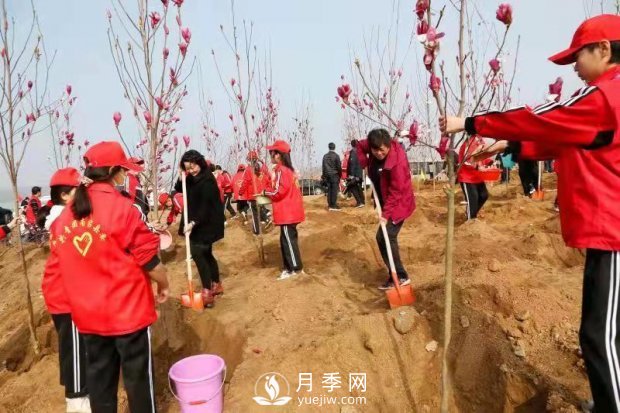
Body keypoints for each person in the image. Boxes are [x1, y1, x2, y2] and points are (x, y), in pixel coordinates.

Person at [439, 14, 620, 412]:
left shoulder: (605, 96)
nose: (573, 66)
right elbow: (570, 142)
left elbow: (543, 117)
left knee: (598, 335)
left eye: (577, 55)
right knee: (605, 332)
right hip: (607, 231)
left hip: (614, 233)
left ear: (604, 50)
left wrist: (472, 124)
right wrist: (509, 148)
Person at [44, 141, 169, 413]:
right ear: (113, 171)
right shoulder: (123, 208)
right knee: (138, 383)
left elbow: (60, 264)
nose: (126, 176)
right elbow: (149, 260)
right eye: (123, 170)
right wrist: (164, 284)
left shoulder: (64, 219)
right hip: (129, 314)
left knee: (100, 383)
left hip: (89, 318)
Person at [40, 167, 91, 413]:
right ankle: (78, 403)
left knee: (76, 350)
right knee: (75, 353)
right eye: (79, 191)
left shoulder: (66, 217)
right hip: (67, 297)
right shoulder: (64, 222)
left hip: (70, 293)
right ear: (64, 195)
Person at [357, 129, 415, 289]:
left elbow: (396, 192)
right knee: (382, 237)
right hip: (384, 200)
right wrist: (363, 161)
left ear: (389, 144)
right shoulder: (372, 146)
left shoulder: (398, 163)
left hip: (399, 204)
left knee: (386, 236)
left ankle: (401, 276)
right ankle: (394, 274)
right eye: (375, 150)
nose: (378, 153)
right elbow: (359, 146)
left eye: (382, 149)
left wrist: (385, 214)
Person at [175, 150, 225, 307]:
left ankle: (207, 291)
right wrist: (180, 175)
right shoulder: (190, 177)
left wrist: (193, 223)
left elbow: (206, 206)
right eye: (188, 168)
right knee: (207, 253)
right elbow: (179, 188)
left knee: (198, 253)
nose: (191, 171)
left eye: (193, 167)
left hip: (206, 222)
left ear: (199, 162)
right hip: (196, 221)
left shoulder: (207, 180)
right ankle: (216, 284)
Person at [262, 140, 305, 280]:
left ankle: (296, 269)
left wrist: (265, 192)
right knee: (285, 240)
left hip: (287, 212)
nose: (270, 154)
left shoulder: (282, 170)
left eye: (271, 152)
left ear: (278, 155)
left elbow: (279, 192)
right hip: (290, 212)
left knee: (288, 241)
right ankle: (288, 268)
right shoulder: (288, 170)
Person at [458, 135, 491, 220]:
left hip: (478, 176)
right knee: (473, 198)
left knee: (484, 195)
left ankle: (472, 214)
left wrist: (490, 162)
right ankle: (470, 220)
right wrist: (478, 167)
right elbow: (468, 160)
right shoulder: (469, 143)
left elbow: (483, 155)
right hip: (467, 178)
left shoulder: (480, 140)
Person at [240, 151, 271, 235]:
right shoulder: (263, 168)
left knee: (254, 214)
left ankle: (257, 231)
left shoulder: (248, 170)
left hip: (253, 195)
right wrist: (267, 190)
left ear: (249, 159)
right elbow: (268, 178)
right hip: (262, 193)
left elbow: (245, 182)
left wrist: (240, 192)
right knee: (260, 208)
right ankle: (266, 219)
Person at [322, 142, 342, 211]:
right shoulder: (336, 156)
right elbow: (339, 167)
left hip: (327, 175)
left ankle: (330, 205)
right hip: (334, 174)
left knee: (329, 190)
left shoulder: (325, 156)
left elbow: (323, 167)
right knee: (334, 190)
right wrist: (340, 175)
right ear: (334, 147)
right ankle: (333, 205)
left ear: (329, 147)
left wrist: (324, 176)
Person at [346, 139, 365, 208]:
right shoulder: (361, 152)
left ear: (352, 145)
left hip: (355, 174)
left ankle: (359, 202)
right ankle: (362, 202)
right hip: (359, 173)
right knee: (359, 187)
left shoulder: (353, 152)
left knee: (352, 187)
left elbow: (352, 164)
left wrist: (351, 175)